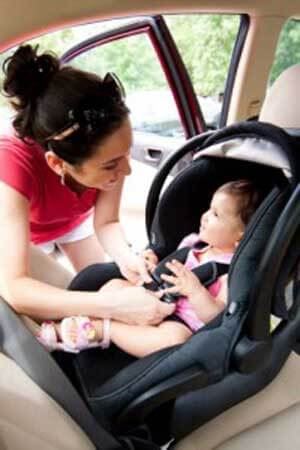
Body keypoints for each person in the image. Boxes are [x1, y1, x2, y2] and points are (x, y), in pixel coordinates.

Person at [0, 44, 174, 326]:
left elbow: (106, 223)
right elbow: (15, 287)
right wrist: (111, 307)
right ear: (57, 164)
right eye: (110, 165)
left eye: (126, 154)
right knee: (51, 314)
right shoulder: (12, 163)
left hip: (75, 222)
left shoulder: (112, 153)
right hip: (27, 235)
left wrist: (127, 258)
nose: (127, 170)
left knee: (92, 282)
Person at [32, 179, 263, 357]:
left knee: (176, 340)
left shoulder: (230, 272)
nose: (204, 216)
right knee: (115, 285)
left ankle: (102, 331)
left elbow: (217, 316)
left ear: (241, 238)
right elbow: (165, 264)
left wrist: (196, 292)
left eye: (216, 215)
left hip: (179, 322)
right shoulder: (194, 244)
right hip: (152, 298)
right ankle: (79, 322)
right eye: (209, 208)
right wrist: (152, 260)